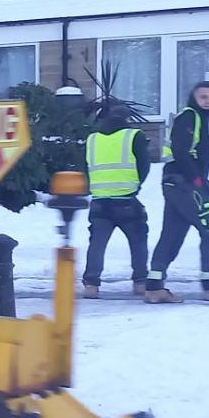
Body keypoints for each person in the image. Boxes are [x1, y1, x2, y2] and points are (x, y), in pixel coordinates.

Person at [143, 81, 209, 302]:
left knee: (172, 235)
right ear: (194, 97)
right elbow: (180, 149)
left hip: (175, 183)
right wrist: (196, 179)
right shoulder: (190, 116)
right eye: (203, 97)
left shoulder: (197, 118)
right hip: (184, 183)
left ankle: (154, 287)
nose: (208, 101)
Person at [82, 104, 151, 298]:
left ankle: (91, 285)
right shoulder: (133, 136)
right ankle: (140, 282)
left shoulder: (92, 139)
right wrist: (135, 185)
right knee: (138, 241)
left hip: (99, 200)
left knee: (97, 244)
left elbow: (84, 165)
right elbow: (144, 165)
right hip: (127, 199)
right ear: (127, 118)